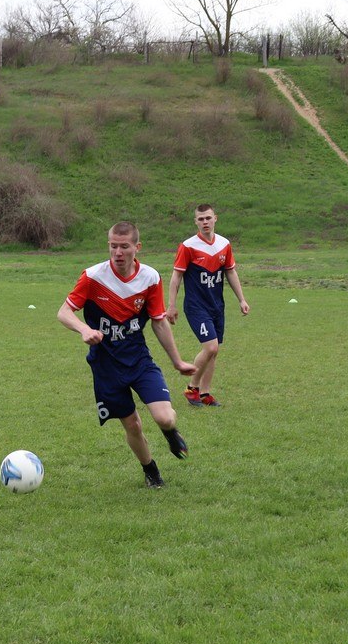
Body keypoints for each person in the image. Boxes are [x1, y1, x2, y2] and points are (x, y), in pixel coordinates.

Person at [58, 221, 194, 489]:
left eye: (124, 246)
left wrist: (177, 361)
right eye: (113, 246)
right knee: (132, 425)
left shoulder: (150, 278)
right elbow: (63, 312)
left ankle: (169, 433)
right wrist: (84, 329)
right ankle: (151, 471)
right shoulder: (93, 277)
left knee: (165, 417)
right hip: (106, 366)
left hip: (139, 360)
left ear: (136, 247)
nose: (117, 252)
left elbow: (158, 321)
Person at [166, 204, 250, 408]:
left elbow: (230, 272)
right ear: (195, 221)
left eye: (208, 218)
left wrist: (241, 299)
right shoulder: (188, 246)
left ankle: (205, 394)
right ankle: (192, 388)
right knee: (210, 346)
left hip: (216, 306)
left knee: (214, 351)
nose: (205, 222)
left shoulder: (224, 244)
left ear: (215, 219)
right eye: (201, 219)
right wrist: (171, 305)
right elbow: (176, 276)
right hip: (196, 306)